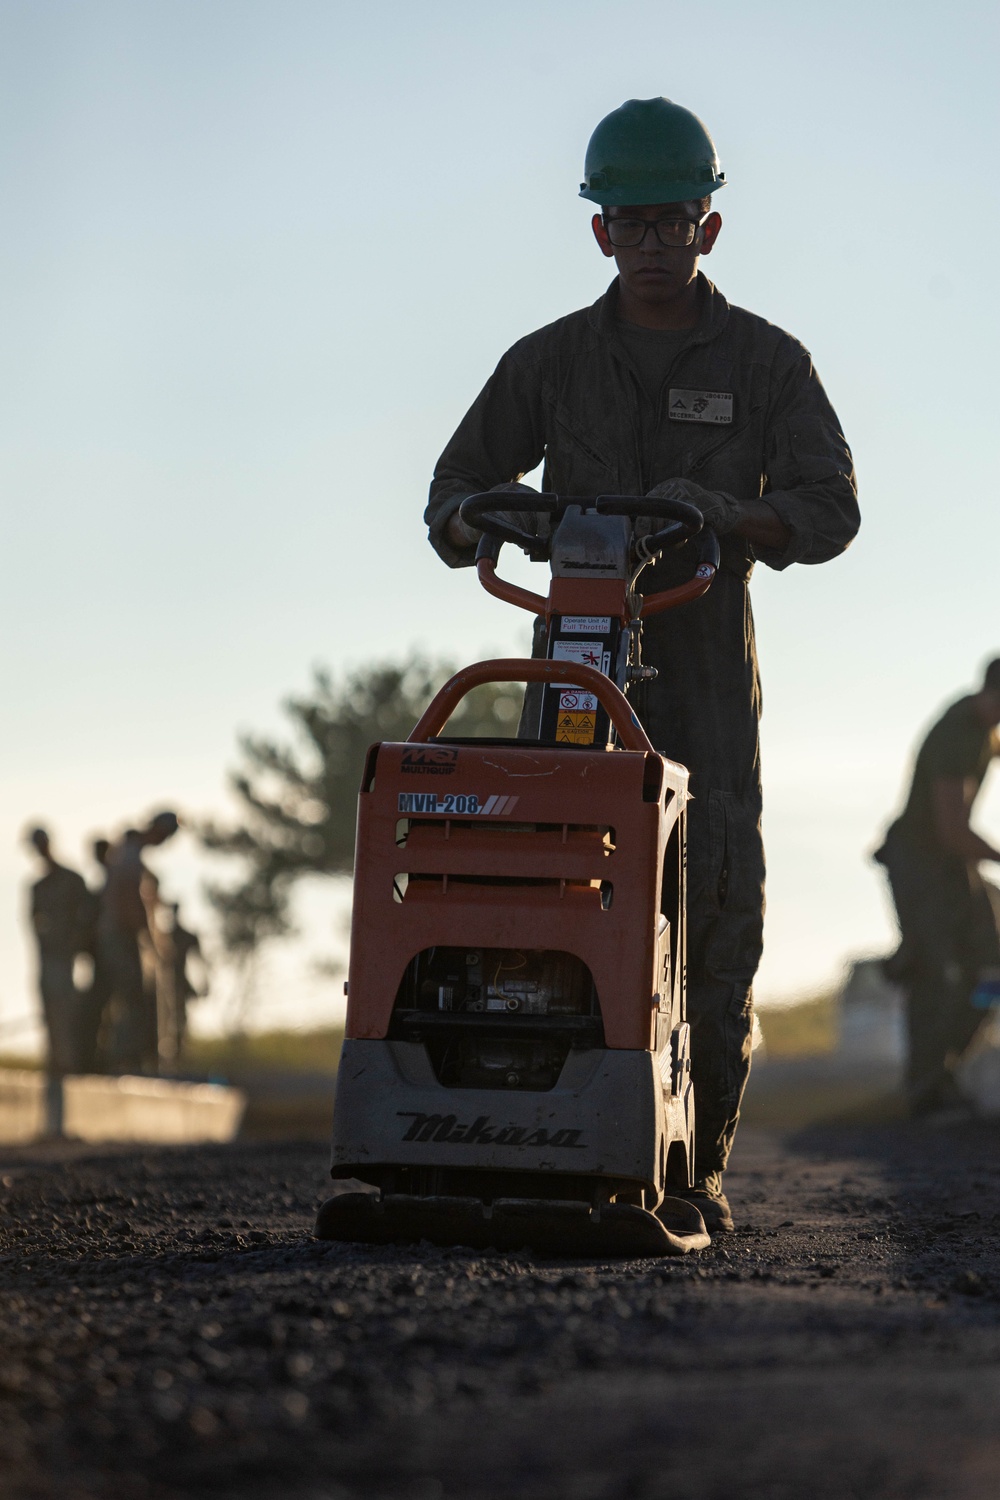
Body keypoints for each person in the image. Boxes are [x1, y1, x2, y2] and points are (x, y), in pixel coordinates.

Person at [425, 97, 859, 1231]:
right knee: (556, 886)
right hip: (573, 678)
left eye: (675, 222)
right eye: (632, 223)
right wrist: (490, 519)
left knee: (710, 902)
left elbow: (831, 507)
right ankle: (530, 1134)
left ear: (708, 229)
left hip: (705, 674)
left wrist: (725, 511)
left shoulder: (767, 363)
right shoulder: (551, 363)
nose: (655, 244)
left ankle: (695, 1168)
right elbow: (449, 498)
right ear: (599, 233)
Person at [875, 660, 1000, 1116]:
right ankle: (925, 1091)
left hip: (953, 865)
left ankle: (944, 1074)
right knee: (938, 968)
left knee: (989, 965)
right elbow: (953, 831)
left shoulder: (987, 728)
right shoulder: (958, 732)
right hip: (922, 863)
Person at [98, 811, 180, 1073]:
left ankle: (130, 1061)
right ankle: (124, 1063)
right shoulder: (130, 855)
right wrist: (152, 943)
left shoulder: (130, 853)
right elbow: (131, 906)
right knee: (132, 1001)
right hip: (120, 939)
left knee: (133, 1001)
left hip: (122, 938)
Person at [26, 827, 89, 1137]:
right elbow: (35, 926)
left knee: (66, 1039)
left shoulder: (71, 881)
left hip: (66, 967)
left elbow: (88, 918)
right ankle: (53, 1123)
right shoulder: (37, 887)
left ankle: (61, 1122)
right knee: (53, 1039)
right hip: (49, 967)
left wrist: (72, 944)